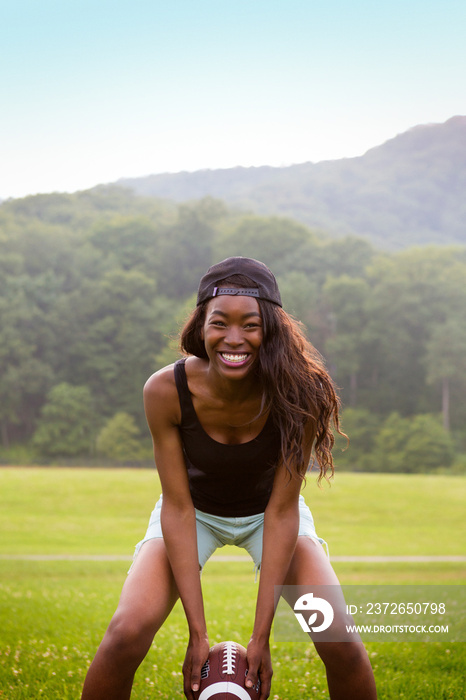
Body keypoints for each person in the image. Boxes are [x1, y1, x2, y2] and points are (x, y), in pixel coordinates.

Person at [81, 256, 377, 700]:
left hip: (270, 513)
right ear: (201, 326)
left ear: (271, 329)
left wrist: (262, 638)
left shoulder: (302, 394)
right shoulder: (164, 391)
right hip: (193, 511)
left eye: (250, 325)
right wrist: (196, 633)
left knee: (341, 640)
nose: (234, 339)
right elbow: (178, 507)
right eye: (220, 323)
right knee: (126, 632)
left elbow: (281, 511)